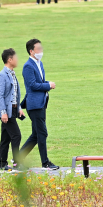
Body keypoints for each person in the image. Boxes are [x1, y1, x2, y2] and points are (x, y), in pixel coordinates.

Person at [19, 39, 59, 170]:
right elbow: (32, 85)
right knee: (42, 133)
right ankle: (45, 162)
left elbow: (39, 81)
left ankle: (17, 158)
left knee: (36, 134)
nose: (41, 51)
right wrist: (48, 85)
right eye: (38, 49)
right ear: (31, 51)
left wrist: (47, 84)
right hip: (34, 105)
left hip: (41, 103)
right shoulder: (28, 66)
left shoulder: (39, 63)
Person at [0, 48, 24, 171]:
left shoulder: (12, 74)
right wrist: (3, 112)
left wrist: (19, 108)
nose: (17, 60)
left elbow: (15, 94)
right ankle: (16, 163)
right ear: (9, 59)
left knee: (6, 138)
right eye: (15, 58)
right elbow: (0, 95)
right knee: (16, 135)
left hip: (13, 110)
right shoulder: (2, 75)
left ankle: (2, 163)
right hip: (7, 112)